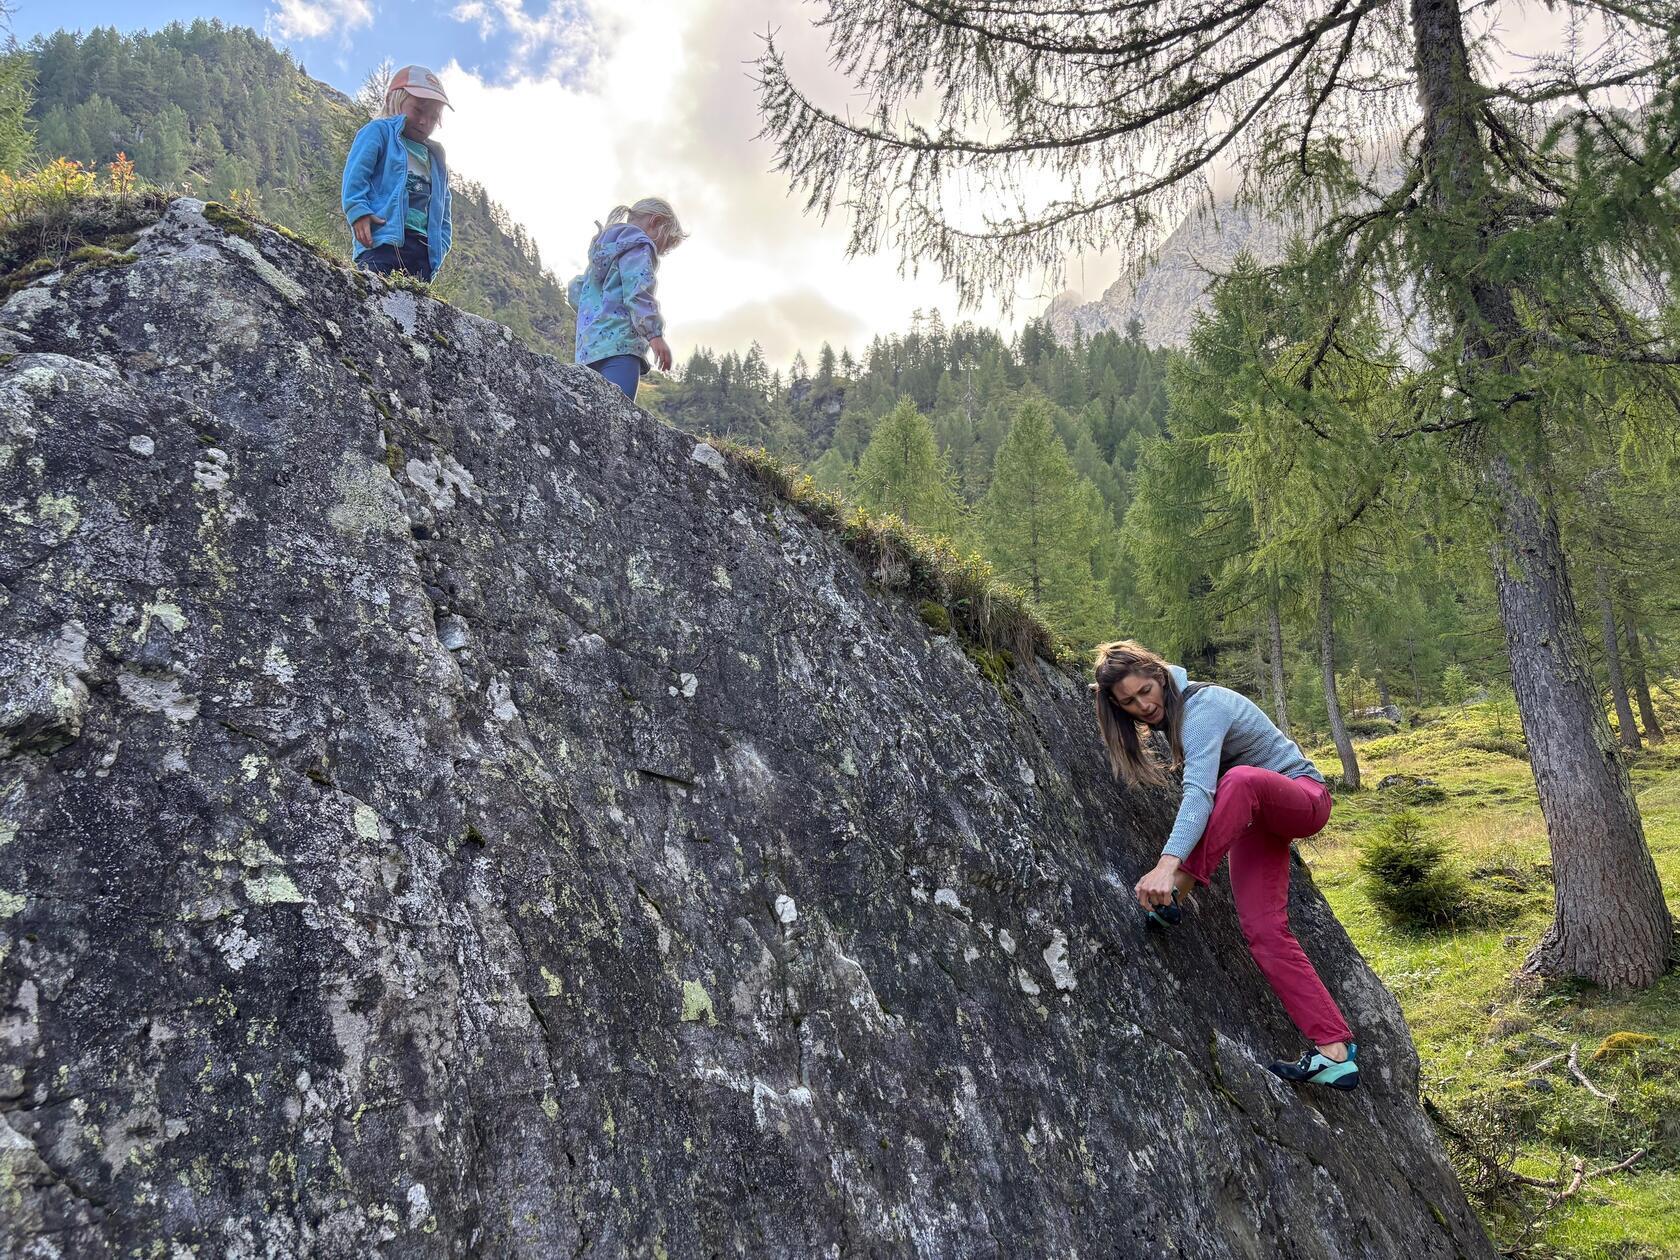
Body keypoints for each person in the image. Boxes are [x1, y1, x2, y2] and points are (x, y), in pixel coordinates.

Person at [1091, 639, 1359, 1091]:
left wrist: (1167, 865)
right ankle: (1333, 1052)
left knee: (1235, 780)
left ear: (1159, 675)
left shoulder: (1204, 705)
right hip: (1256, 818)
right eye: (1129, 702)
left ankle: (1182, 885)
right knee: (1263, 931)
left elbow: (1200, 792)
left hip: (1305, 797)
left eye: (1146, 690)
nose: (1143, 705)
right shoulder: (1169, 720)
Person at [342, 65, 455, 282]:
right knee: (373, 294)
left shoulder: (436, 155)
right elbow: (356, 174)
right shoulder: (379, 132)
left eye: (433, 116)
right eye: (418, 110)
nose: (425, 121)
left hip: (423, 251)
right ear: (395, 100)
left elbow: (444, 210)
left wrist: (440, 245)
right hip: (382, 241)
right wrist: (358, 211)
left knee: (415, 311)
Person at [567, 200, 685, 400]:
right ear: (655, 222)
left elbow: (576, 290)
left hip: (588, 351)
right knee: (617, 418)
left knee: (589, 419)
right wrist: (654, 335)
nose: (658, 253)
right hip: (622, 347)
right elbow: (637, 290)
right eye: (661, 246)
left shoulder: (602, 251)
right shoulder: (639, 244)